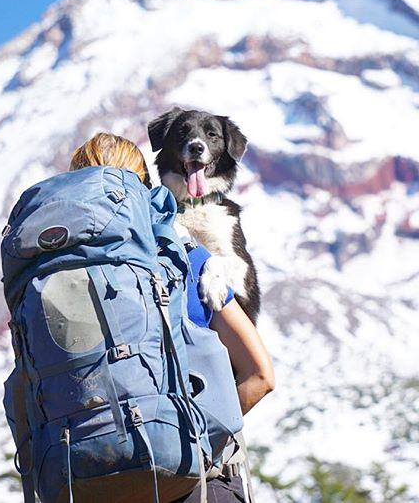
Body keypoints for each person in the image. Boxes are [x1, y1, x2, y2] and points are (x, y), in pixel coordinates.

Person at [70, 133, 275, 502]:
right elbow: (260, 376)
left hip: (91, 484)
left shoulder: (51, 282)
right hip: (194, 481)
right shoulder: (186, 260)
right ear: (144, 188)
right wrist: (195, 447)